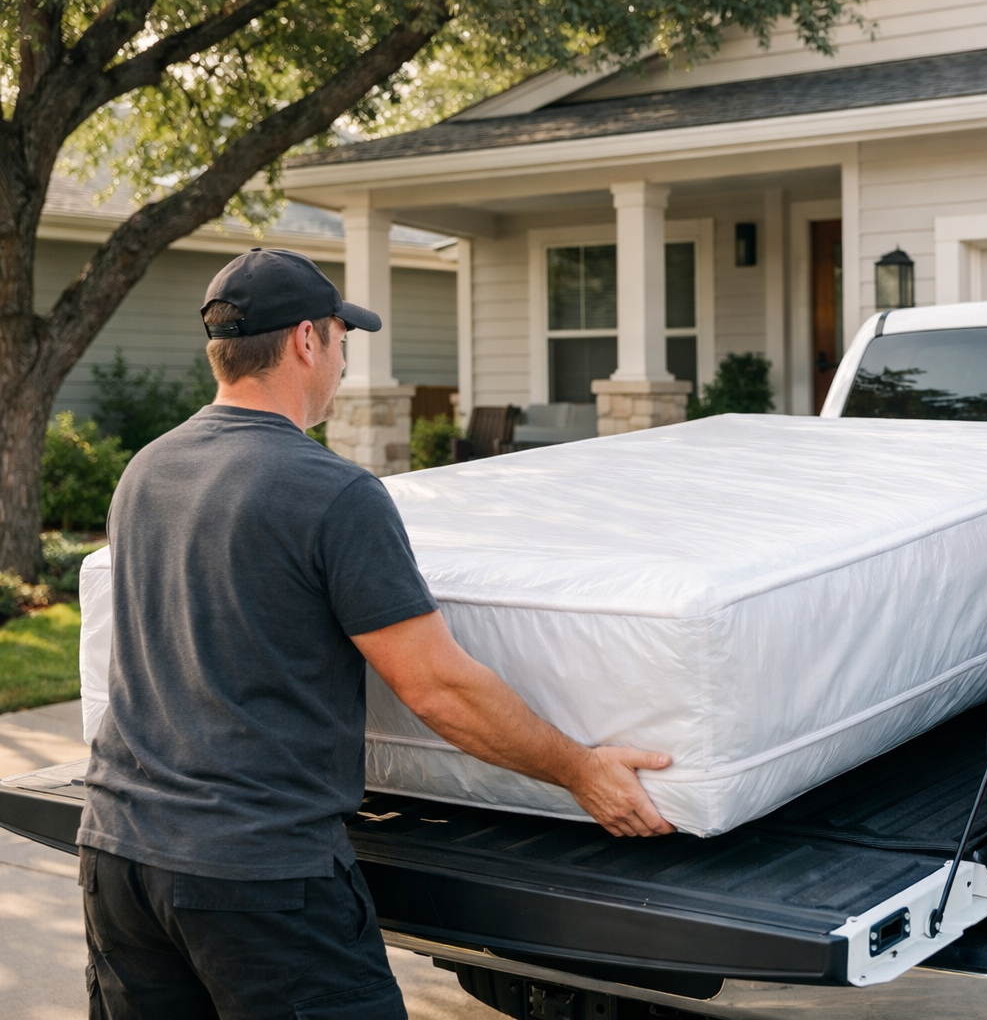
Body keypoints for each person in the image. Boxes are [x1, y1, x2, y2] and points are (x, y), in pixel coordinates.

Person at [77, 248, 675, 1020]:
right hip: (258, 877)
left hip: (119, 856)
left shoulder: (146, 471)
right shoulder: (331, 493)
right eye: (340, 336)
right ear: (304, 342)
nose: (343, 356)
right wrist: (581, 770)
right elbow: (438, 687)